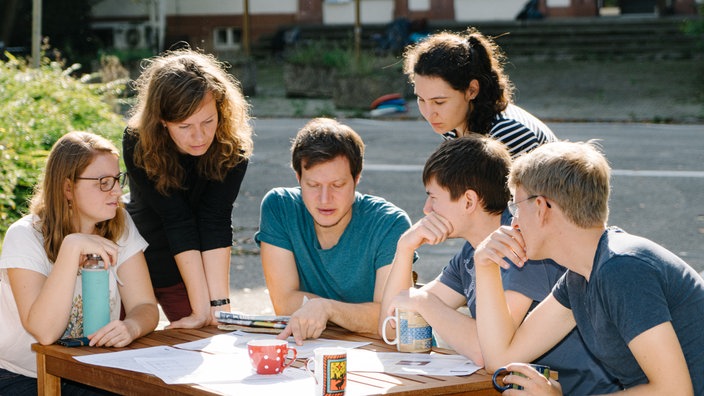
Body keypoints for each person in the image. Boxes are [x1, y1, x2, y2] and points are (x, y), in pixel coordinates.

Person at [380, 136, 618, 395]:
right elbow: (394, 325)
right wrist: (404, 249)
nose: (426, 209)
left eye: (433, 197)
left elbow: (488, 352)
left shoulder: (527, 245)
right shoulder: (472, 251)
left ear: (469, 201)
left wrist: (423, 302)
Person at [474, 140, 704, 394]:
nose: (514, 222)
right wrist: (484, 265)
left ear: (541, 207)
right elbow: (501, 358)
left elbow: (675, 391)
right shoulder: (579, 276)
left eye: (515, 208)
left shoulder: (622, 268)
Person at [0, 131, 159, 395]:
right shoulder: (25, 235)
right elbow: (45, 332)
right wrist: (72, 247)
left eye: (118, 180)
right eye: (104, 182)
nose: (118, 191)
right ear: (67, 188)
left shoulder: (118, 224)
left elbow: (145, 305)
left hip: (89, 368)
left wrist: (132, 326)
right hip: (22, 375)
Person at [123, 47, 253, 329]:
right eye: (184, 126)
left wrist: (217, 307)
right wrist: (199, 308)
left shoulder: (233, 147)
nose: (199, 136)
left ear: (221, 109)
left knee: (209, 328)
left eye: (208, 121)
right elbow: (176, 218)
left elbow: (215, 219)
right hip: (135, 257)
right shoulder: (138, 141)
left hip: (189, 267)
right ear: (161, 121)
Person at [254, 118, 413, 345]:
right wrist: (353, 314)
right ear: (298, 178)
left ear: (357, 179)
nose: (325, 199)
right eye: (313, 185)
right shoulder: (280, 207)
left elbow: (388, 319)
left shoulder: (389, 223)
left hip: (389, 356)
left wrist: (325, 309)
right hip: (317, 349)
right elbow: (285, 303)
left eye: (337, 185)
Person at [403, 28, 556, 158]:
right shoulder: (453, 125)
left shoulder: (508, 133)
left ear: (472, 90)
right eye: (421, 99)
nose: (429, 114)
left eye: (439, 102)